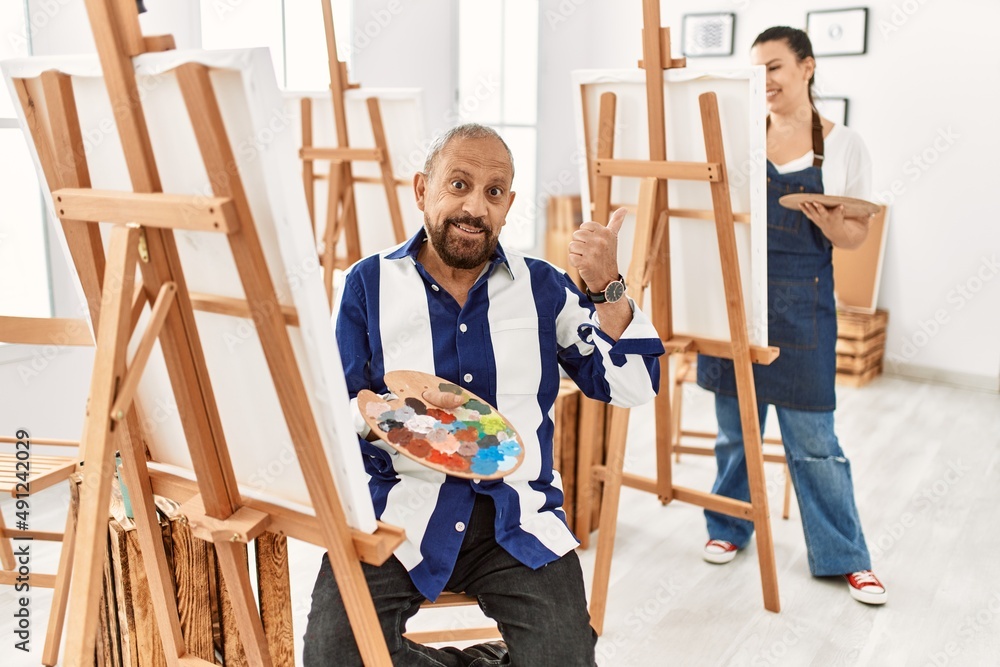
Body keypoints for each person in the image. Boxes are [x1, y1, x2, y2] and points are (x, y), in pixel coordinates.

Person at [303, 123, 665, 665]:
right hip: (400, 511)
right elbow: (336, 408)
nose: (475, 206)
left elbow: (632, 385)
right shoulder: (367, 284)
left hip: (517, 517)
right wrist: (375, 411)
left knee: (566, 659)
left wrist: (608, 289)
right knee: (334, 658)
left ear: (509, 203)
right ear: (423, 189)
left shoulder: (544, 287)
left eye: (494, 192)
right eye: (459, 185)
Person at [696, 26, 887, 605]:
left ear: (806, 67)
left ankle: (845, 556)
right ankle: (728, 526)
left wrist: (828, 219)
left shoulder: (842, 144)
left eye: (775, 67)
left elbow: (854, 235)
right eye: (757, 71)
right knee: (736, 433)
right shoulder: (738, 139)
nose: (766, 82)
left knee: (814, 440)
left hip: (803, 310)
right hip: (739, 306)